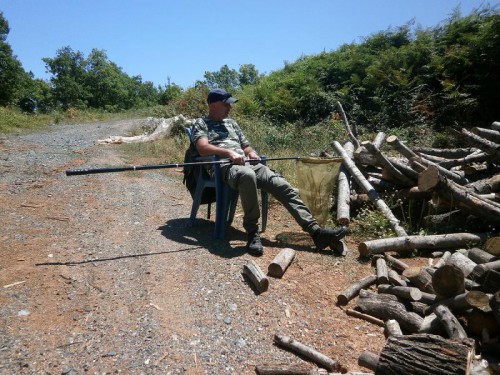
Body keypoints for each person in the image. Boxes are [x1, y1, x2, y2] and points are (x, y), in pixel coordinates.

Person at [190, 88, 348, 256]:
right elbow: (202, 148)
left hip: (248, 164)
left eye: (230, 105)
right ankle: (252, 232)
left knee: (280, 184)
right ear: (213, 105)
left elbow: (246, 146)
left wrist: (251, 152)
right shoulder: (201, 123)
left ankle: (316, 232)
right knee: (247, 176)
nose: (230, 108)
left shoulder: (232, 123)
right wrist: (229, 153)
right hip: (224, 167)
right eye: (226, 105)